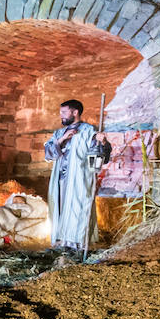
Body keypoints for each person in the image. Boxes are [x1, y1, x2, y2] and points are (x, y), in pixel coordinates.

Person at [43, 99, 111, 252]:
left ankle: (76, 244)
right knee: (60, 208)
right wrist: (62, 139)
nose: (61, 115)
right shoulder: (59, 132)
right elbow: (48, 152)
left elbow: (101, 157)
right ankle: (60, 242)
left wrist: (103, 143)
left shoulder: (89, 131)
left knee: (77, 208)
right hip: (60, 179)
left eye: (64, 112)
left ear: (75, 112)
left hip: (79, 177)